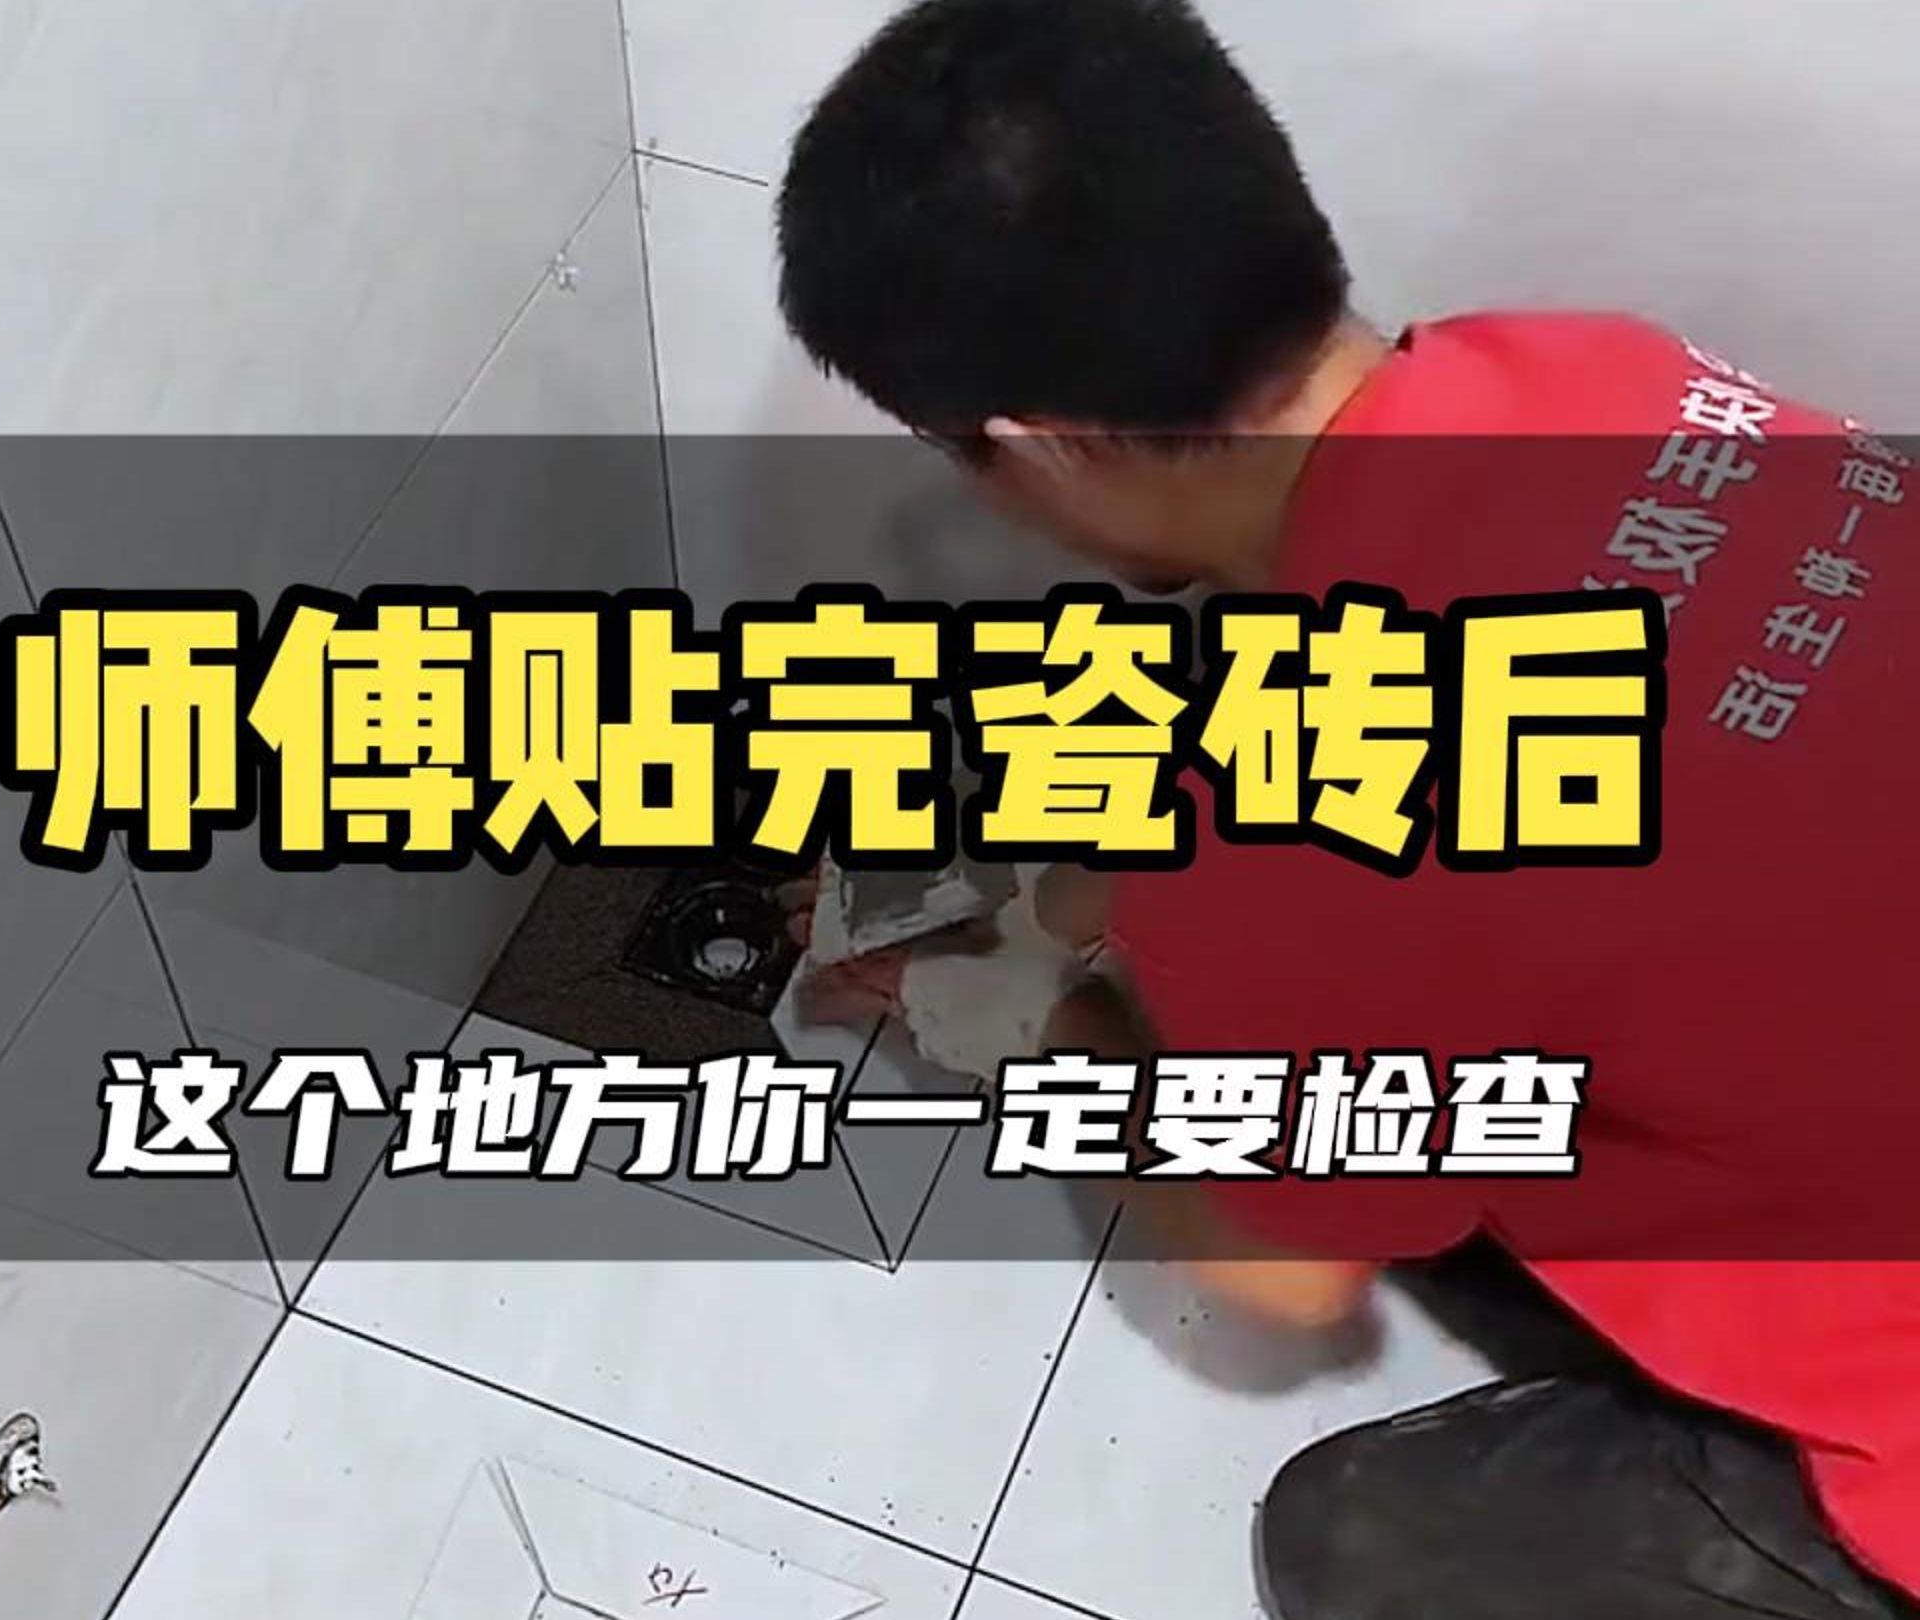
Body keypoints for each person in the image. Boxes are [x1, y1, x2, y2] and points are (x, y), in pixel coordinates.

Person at [772, 1, 1920, 1615]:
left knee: (1349, 1546)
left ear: (1042, 449)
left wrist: (1046, 1028)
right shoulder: (1595, 367)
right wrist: (1094, 903)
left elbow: (1285, 1286)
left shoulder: (1313, 818)